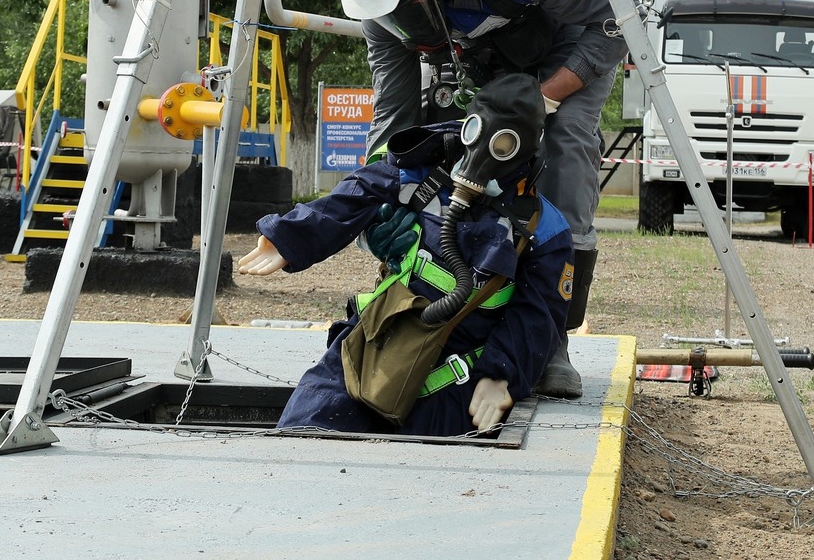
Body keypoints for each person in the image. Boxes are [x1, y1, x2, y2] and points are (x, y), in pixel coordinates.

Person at [325, 0, 628, 398]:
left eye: (405, 4)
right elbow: (394, 121)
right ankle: (451, 314)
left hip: (574, 35)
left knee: (563, 144)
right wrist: (375, 207)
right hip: (487, 51)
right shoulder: (377, 8)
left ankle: (550, 338)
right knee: (452, 148)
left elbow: (614, 26)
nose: (399, 18)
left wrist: (543, 101)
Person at [238, 74, 574, 436]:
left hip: (458, 371)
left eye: (503, 143)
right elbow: (357, 193)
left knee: (426, 468)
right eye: (477, 131)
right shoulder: (423, 173)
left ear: (527, 146)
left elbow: (539, 317)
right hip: (378, 339)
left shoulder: (544, 228)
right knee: (305, 429)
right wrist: (288, 237)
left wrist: (501, 373)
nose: (483, 150)